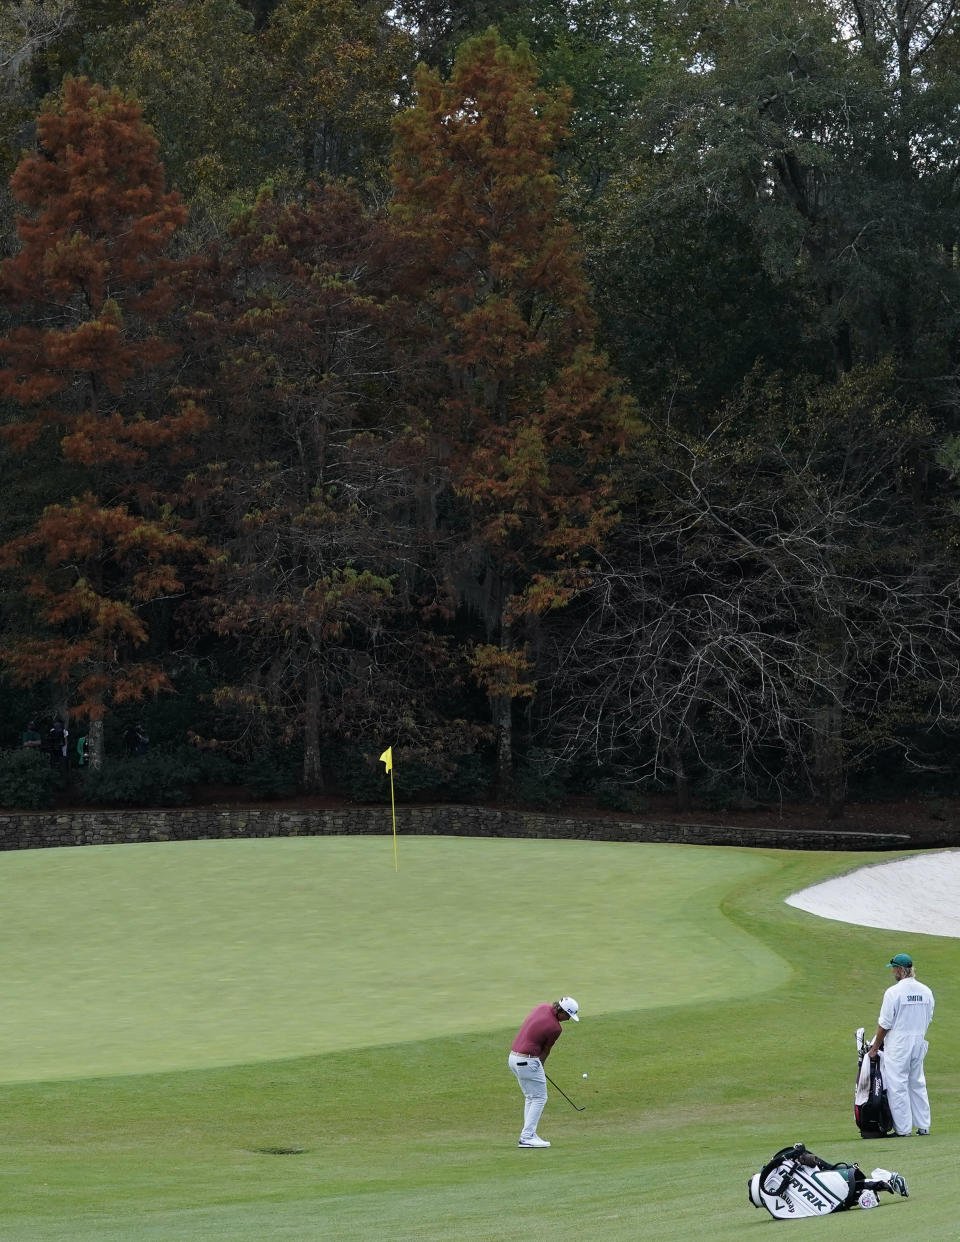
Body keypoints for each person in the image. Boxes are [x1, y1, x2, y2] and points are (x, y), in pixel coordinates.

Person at [867, 952, 934, 1137]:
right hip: (919, 1040)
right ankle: (923, 1125)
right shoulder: (926, 991)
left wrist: (874, 1047)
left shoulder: (893, 992)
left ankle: (903, 1129)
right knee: (917, 1083)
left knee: (898, 1084)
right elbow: (929, 1017)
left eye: (894, 969)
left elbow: (885, 1024)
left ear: (899, 969)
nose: (893, 973)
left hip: (899, 1043)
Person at [508, 997, 579, 1148]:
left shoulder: (542, 1007)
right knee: (540, 1098)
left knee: (531, 1097)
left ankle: (529, 1134)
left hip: (513, 1058)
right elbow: (546, 1050)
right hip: (528, 1060)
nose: (568, 1019)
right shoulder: (556, 1028)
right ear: (561, 1011)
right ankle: (527, 1137)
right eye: (568, 1016)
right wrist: (540, 1065)